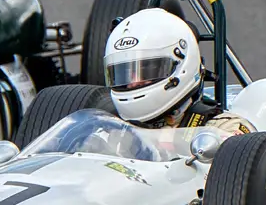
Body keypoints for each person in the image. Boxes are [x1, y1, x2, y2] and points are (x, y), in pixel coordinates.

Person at [102, 8, 255, 135]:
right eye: (123, 74)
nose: (132, 83)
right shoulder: (111, 130)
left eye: (146, 70)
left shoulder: (222, 130)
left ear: (181, 65)